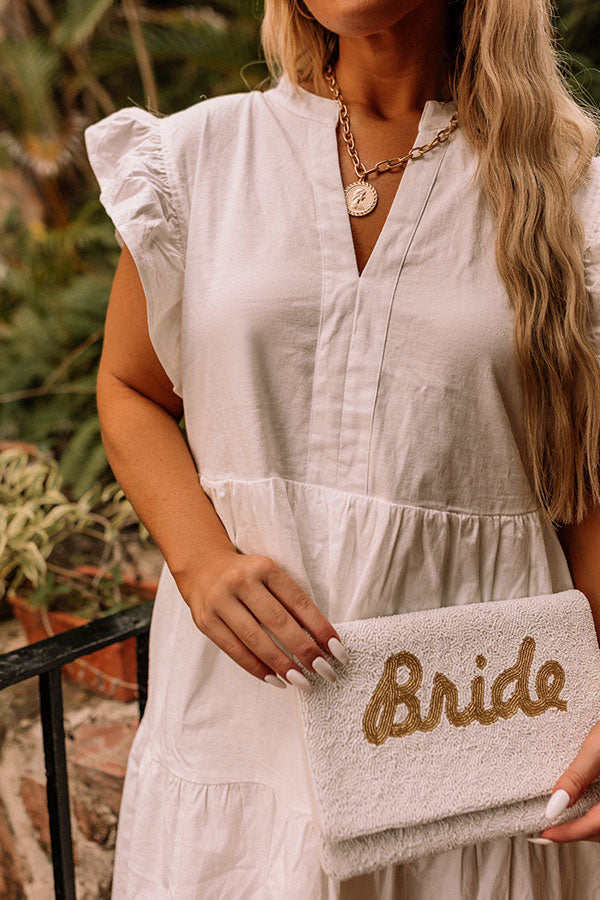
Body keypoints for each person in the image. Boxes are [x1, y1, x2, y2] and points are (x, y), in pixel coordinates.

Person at [83, 0, 600, 896]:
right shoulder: (201, 158)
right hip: (239, 727)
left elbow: (591, 481)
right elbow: (130, 388)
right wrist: (203, 563)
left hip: (478, 736)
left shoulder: (572, 187)